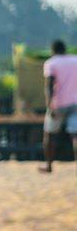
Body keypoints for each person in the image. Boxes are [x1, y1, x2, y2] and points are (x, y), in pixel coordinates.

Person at [40, 39, 77, 174]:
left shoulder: (51, 63)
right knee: (75, 135)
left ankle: (49, 165)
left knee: (49, 135)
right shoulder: (75, 60)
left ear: (53, 50)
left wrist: (49, 106)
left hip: (59, 104)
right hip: (76, 103)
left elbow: (49, 85)